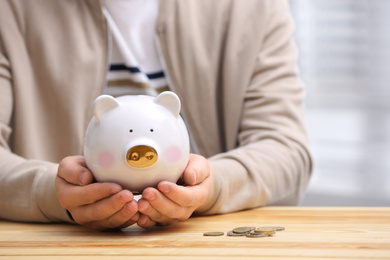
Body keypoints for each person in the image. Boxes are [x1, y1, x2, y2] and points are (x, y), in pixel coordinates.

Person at [0, 0, 312, 231]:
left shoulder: (253, 8)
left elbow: (287, 151)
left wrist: (213, 187)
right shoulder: (10, 11)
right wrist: (49, 192)